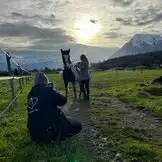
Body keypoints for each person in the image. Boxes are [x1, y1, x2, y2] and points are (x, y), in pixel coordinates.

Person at [27, 72, 82, 142]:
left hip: (34, 135)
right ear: (46, 82)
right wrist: (53, 90)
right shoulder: (48, 90)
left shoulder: (30, 94)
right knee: (77, 125)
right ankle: (57, 136)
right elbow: (63, 101)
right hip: (49, 132)